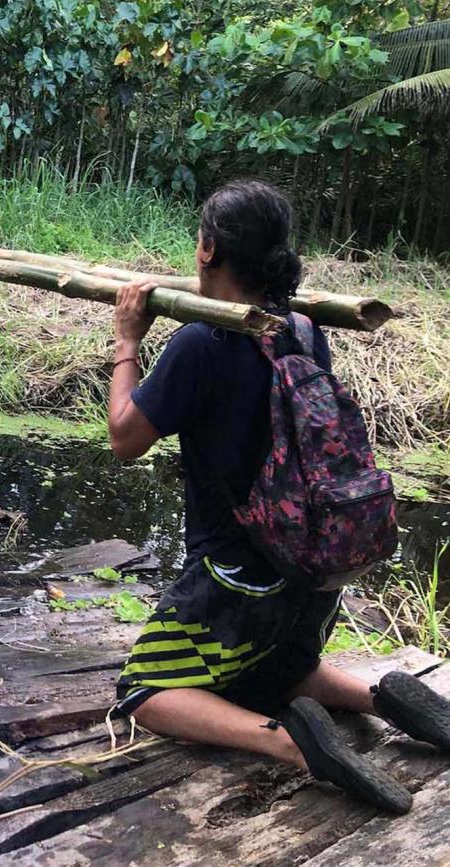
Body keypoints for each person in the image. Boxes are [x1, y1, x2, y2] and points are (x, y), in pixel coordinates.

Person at [108, 180, 450, 815]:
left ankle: (290, 742)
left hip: (234, 583)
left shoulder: (197, 345)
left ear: (208, 249)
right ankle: (382, 698)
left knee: (142, 690)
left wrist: (128, 340)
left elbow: (125, 438)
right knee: (265, 673)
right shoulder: (303, 330)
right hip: (310, 572)